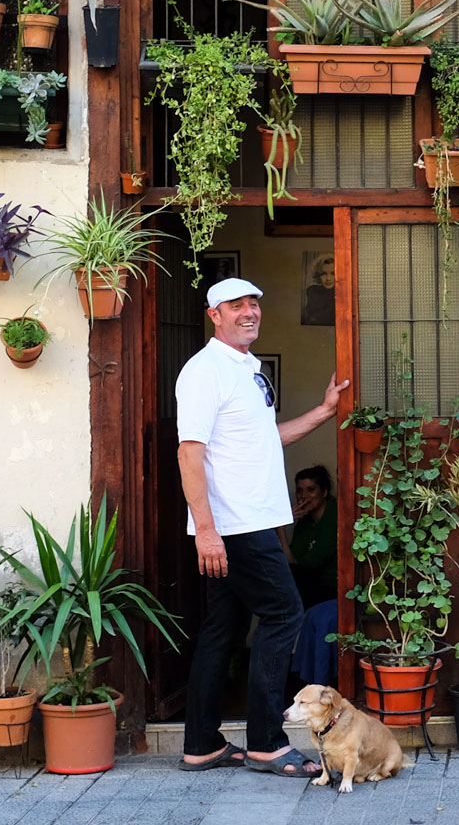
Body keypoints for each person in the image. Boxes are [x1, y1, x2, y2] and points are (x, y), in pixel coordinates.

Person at [176, 277, 349, 777]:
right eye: (236, 305)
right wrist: (206, 530)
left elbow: (264, 440)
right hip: (236, 526)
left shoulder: (248, 369)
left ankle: (202, 745)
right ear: (215, 314)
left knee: (222, 629)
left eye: (254, 302)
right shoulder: (205, 371)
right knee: (284, 616)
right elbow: (191, 452)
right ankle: (266, 743)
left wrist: (322, 412)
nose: (249, 311)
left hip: (245, 522)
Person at [284, 465, 336, 608]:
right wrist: (282, 524)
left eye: (311, 490)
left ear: (324, 492)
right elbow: (291, 560)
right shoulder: (305, 521)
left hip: (334, 589)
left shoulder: (335, 516)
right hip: (312, 586)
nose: (304, 496)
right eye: (300, 491)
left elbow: (311, 564)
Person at [301, 254, 335, 326]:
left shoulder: (343, 293)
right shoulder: (313, 291)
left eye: (333, 274)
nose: (328, 278)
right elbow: (314, 316)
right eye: (323, 274)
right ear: (318, 275)